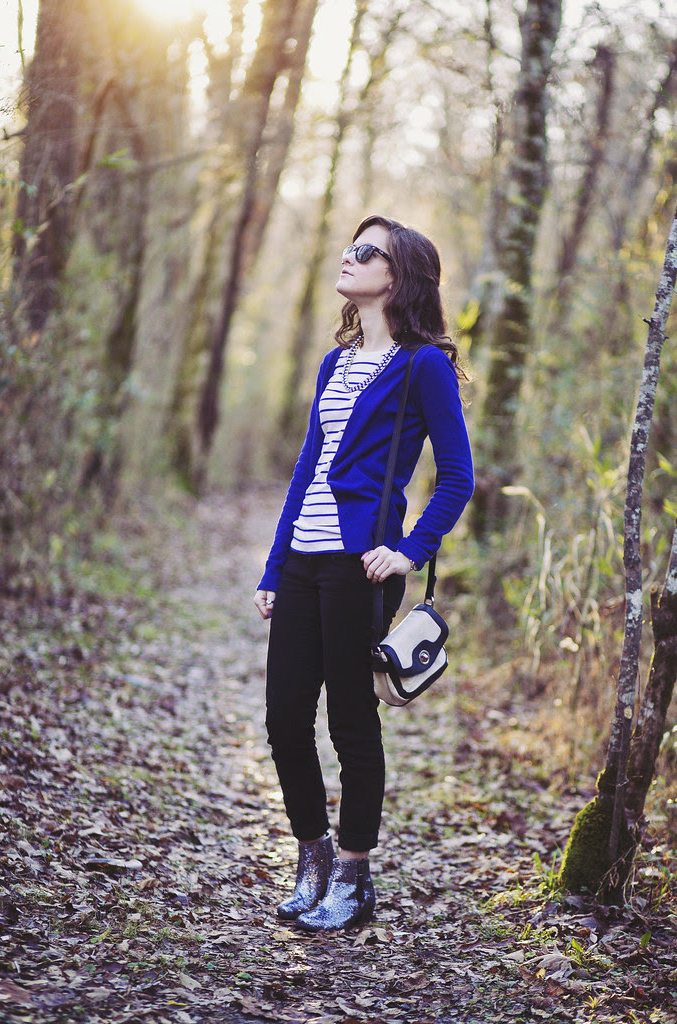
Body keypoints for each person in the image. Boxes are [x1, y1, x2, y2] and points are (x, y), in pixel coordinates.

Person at [253, 214, 474, 931]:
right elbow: (307, 471)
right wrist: (275, 563)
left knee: (350, 722)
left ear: (398, 275)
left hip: (362, 570)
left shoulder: (423, 365)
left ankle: (353, 876)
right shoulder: (334, 362)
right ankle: (313, 857)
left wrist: (409, 550)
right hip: (303, 562)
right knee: (284, 718)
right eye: (350, 247)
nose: (348, 258)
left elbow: (457, 476)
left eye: (365, 251)